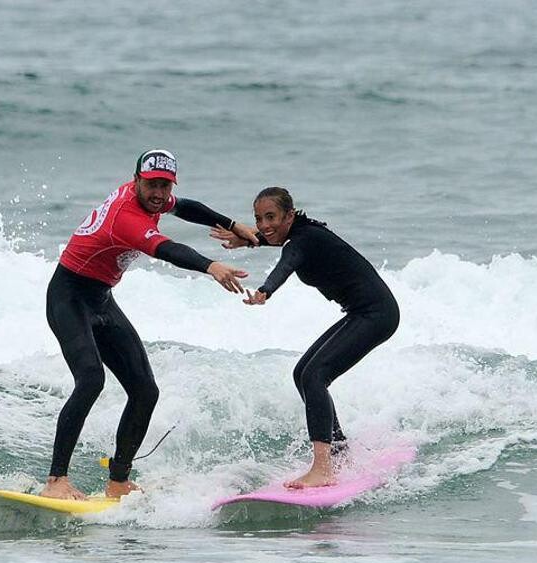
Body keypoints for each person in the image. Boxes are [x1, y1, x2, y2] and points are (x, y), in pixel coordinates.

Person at [42, 149, 250, 500]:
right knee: (91, 379)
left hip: (101, 298)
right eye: (152, 184)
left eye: (165, 186)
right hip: (69, 296)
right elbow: (168, 249)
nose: (159, 193)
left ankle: (118, 481)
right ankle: (56, 481)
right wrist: (210, 266)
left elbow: (185, 207)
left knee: (145, 390)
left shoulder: (154, 200)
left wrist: (232, 225)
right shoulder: (128, 216)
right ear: (136, 179)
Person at [211, 187, 399, 489]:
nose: (263, 225)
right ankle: (338, 451)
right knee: (302, 373)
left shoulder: (303, 240)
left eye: (271, 217)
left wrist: (265, 291)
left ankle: (323, 468)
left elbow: (287, 262)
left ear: (290, 214)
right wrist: (249, 240)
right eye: (258, 219)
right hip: (363, 312)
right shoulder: (305, 235)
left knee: (315, 375)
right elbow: (281, 243)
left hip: (376, 315)